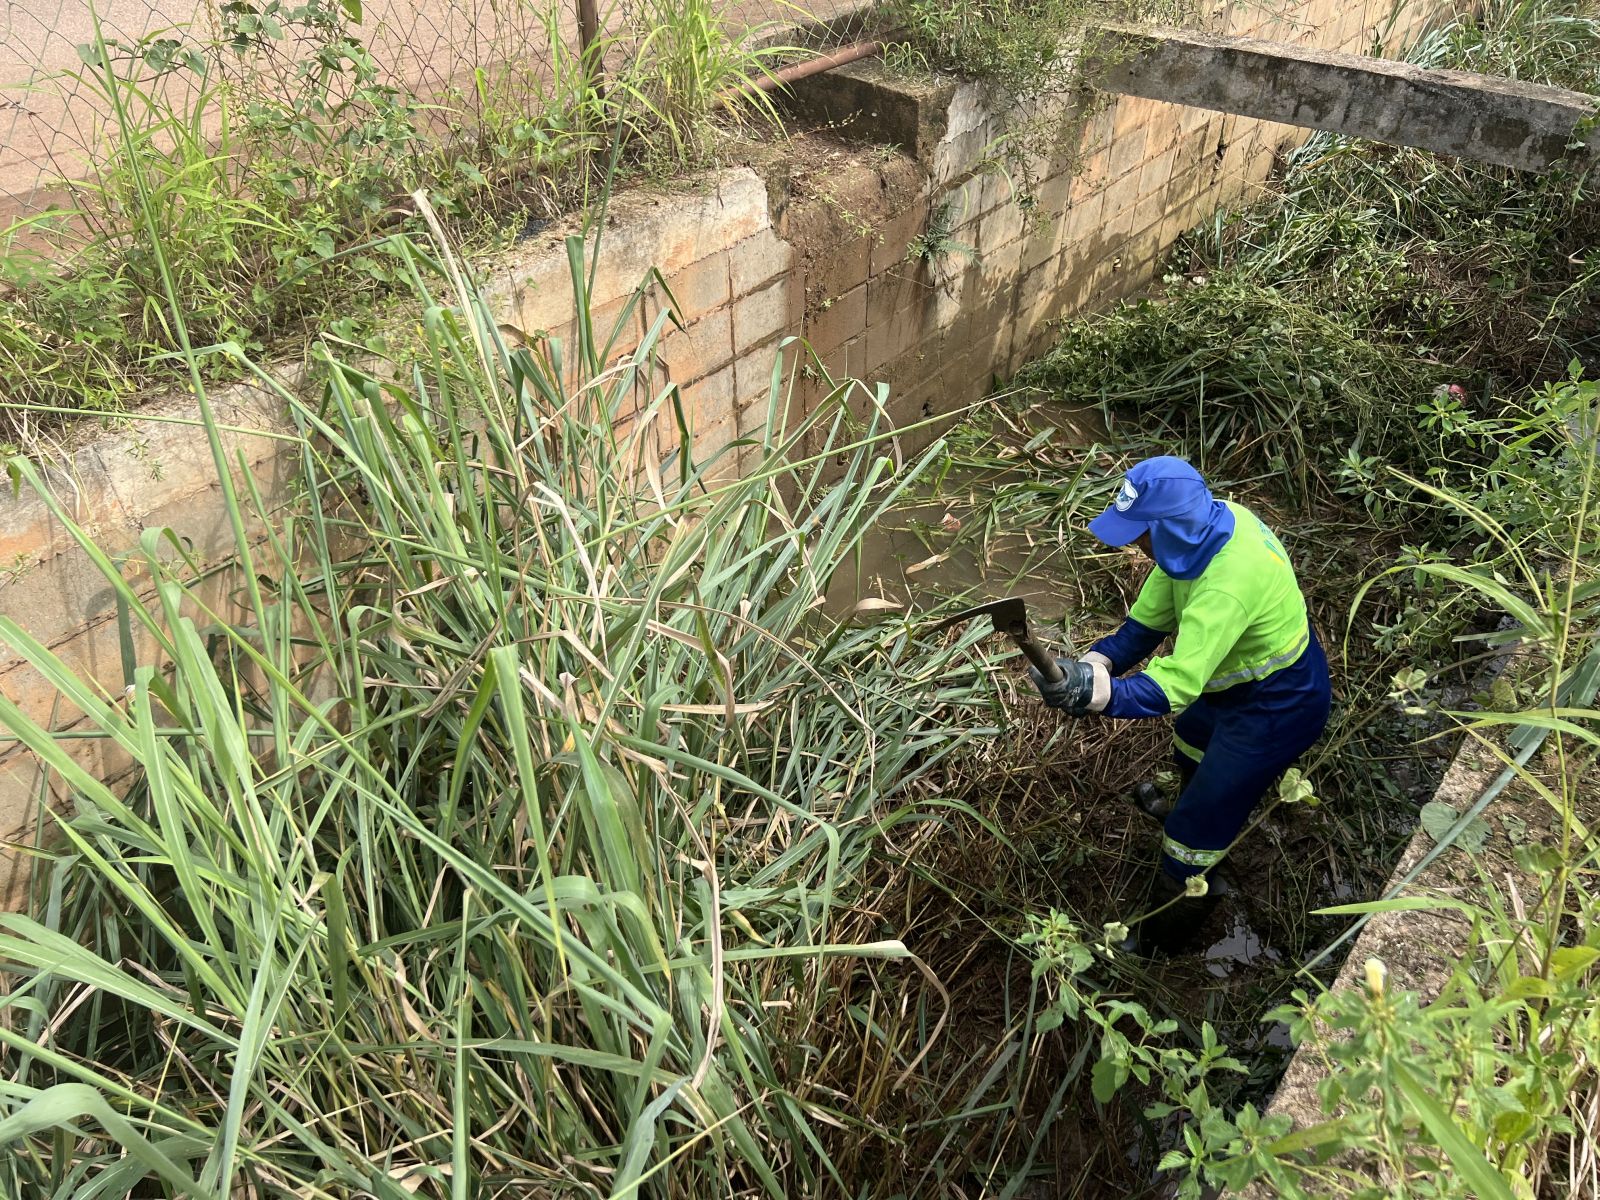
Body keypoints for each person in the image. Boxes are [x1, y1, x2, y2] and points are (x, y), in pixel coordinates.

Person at [1030, 456, 1331, 955]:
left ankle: (1164, 934)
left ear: (1169, 528)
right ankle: (1186, 803)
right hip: (1234, 685)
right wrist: (1098, 661)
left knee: (1197, 828)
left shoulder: (1227, 585)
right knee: (1191, 740)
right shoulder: (1199, 535)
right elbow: (1147, 624)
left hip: (1277, 706)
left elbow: (1177, 685)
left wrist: (1099, 694)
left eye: (1139, 535)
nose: (1133, 545)